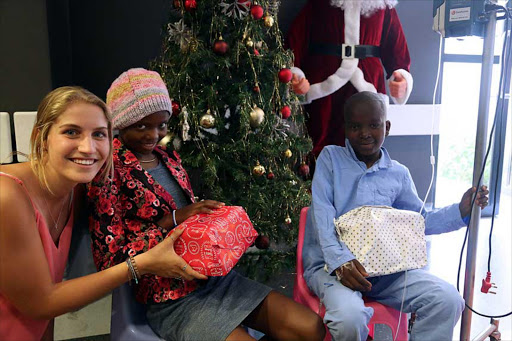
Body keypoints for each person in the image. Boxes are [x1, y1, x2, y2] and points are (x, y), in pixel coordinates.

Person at [88, 68, 325, 341]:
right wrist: (173, 220)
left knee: (311, 328)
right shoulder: (107, 174)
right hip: (170, 299)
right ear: (120, 122)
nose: (153, 135)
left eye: (161, 125)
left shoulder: (168, 158)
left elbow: (187, 218)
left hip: (215, 279)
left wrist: (213, 220)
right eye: (142, 125)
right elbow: (110, 261)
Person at [0, 86, 195, 341]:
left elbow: (43, 315)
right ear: (42, 136)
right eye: (71, 132)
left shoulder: (77, 191)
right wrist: (141, 264)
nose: (88, 148)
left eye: (99, 134)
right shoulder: (8, 197)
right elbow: (39, 304)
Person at [304, 91, 489, 341]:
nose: (365, 133)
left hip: (387, 272)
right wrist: (340, 261)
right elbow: (322, 215)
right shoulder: (330, 159)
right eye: (356, 126)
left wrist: (460, 210)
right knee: (350, 318)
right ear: (345, 128)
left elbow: (419, 221)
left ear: (387, 127)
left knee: (447, 299)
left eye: (374, 124)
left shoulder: (398, 173)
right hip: (332, 270)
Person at [286, 0, 413, 157]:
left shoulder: (383, 5)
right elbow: (296, 40)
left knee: (366, 149)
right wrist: (296, 76)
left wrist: (401, 80)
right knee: (318, 146)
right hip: (323, 86)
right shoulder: (319, 3)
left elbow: (397, 50)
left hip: (368, 85)